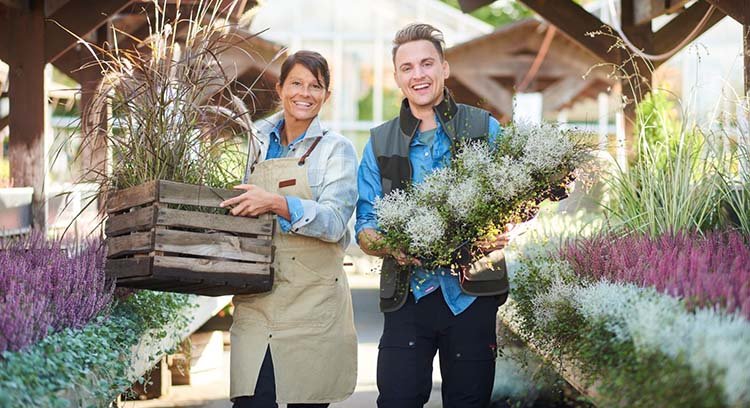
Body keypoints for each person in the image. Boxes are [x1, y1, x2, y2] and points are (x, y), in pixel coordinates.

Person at [355, 23, 510, 408]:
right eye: (407, 67)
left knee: (468, 402)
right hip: (409, 296)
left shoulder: (484, 128)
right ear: (397, 78)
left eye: (427, 63)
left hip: (471, 296)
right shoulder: (378, 142)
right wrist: (392, 246)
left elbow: (518, 195)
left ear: (444, 68)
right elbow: (364, 227)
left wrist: (506, 227)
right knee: (397, 401)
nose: (418, 74)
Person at [220, 50, 358, 408]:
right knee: (251, 401)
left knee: (306, 401)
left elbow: (334, 222)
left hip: (313, 302)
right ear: (280, 88)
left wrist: (276, 203)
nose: (305, 93)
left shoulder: (336, 150)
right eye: (296, 83)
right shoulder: (254, 139)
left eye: (316, 86)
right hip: (258, 298)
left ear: (326, 95)